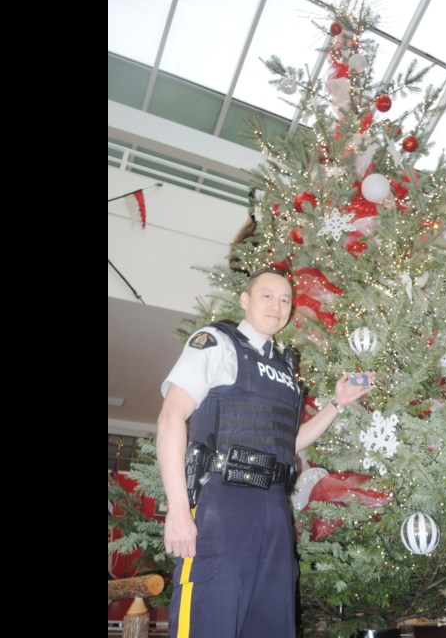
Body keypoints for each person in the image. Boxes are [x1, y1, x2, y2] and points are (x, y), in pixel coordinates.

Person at [157, 268, 374, 638]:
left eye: (286, 299)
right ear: (245, 300)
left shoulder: (286, 369)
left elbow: (286, 446)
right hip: (222, 505)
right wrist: (178, 508)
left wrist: (337, 404)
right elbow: (171, 416)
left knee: (270, 625)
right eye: (267, 295)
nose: (278, 305)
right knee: (211, 621)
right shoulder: (216, 342)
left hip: (274, 508)